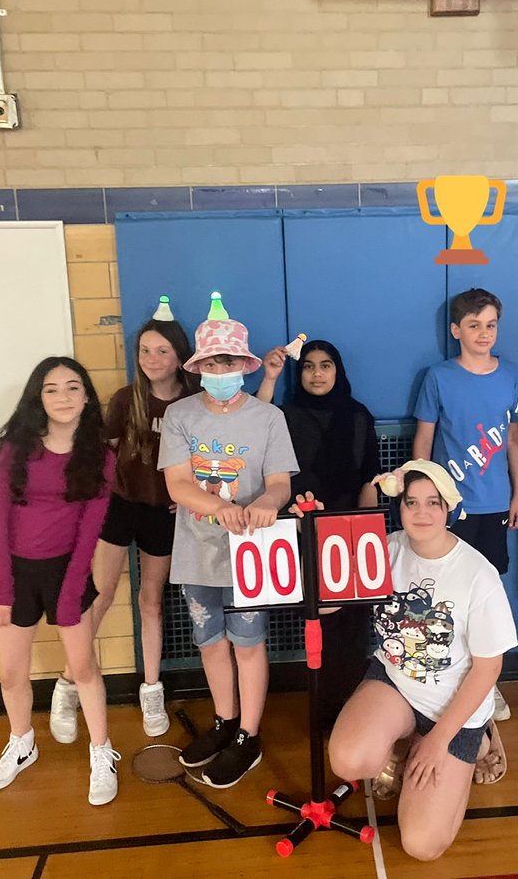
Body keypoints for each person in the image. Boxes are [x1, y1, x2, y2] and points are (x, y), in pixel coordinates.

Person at [329, 461, 518, 862]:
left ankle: (479, 740)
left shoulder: (477, 574)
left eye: (433, 502)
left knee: (422, 845)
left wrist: (437, 741)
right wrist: (304, 527)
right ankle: (405, 739)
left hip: (454, 710)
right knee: (348, 759)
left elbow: (489, 668)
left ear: (448, 507)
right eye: (411, 502)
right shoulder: (387, 548)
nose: (421, 512)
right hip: (397, 682)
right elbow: (330, 602)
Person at [158, 295, 299, 789]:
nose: (221, 369)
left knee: (248, 644)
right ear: (198, 368)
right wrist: (220, 508)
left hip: (251, 555)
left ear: (244, 364)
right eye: (212, 361)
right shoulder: (179, 416)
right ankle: (223, 721)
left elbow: (280, 483)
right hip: (197, 552)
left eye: (229, 360)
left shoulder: (267, 418)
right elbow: (178, 484)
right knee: (210, 643)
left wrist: (268, 504)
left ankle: (248, 735)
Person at [51, 309, 197, 742]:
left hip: (163, 513)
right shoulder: (125, 398)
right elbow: (102, 454)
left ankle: (151, 688)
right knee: (100, 593)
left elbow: (212, 458)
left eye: (162, 350)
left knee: (151, 600)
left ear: (179, 356)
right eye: (144, 350)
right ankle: (69, 681)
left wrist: (189, 499)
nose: (152, 358)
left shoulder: (193, 402)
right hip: (120, 506)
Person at [0, 357, 119, 805]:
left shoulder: (99, 456)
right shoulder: (14, 451)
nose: (63, 397)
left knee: (83, 669)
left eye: (73, 387)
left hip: (67, 571)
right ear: (38, 398)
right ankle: (22, 743)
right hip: (17, 576)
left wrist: (72, 588)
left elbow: (89, 530)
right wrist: (2, 591)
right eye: (52, 389)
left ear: (86, 397)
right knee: (10, 673)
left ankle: (101, 751)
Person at [413, 287, 518, 721]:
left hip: (494, 505)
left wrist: (517, 495)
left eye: (491, 324)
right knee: (444, 596)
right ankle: (449, 683)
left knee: (487, 598)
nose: (483, 333)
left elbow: (515, 440)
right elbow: (423, 439)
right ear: (456, 329)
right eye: (474, 325)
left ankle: (487, 685)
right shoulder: (439, 376)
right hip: (448, 508)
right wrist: (421, 498)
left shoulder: (511, 375)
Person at [258, 338, 380, 728]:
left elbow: (369, 480)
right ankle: (325, 712)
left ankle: (352, 710)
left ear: (337, 371)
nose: (316, 373)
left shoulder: (359, 416)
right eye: (308, 366)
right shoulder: (285, 416)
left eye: (325, 365)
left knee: (353, 628)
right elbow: (254, 425)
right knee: (320, 625)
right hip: (301, 530)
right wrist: (270, 376)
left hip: (350, 532)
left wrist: (367, 535)